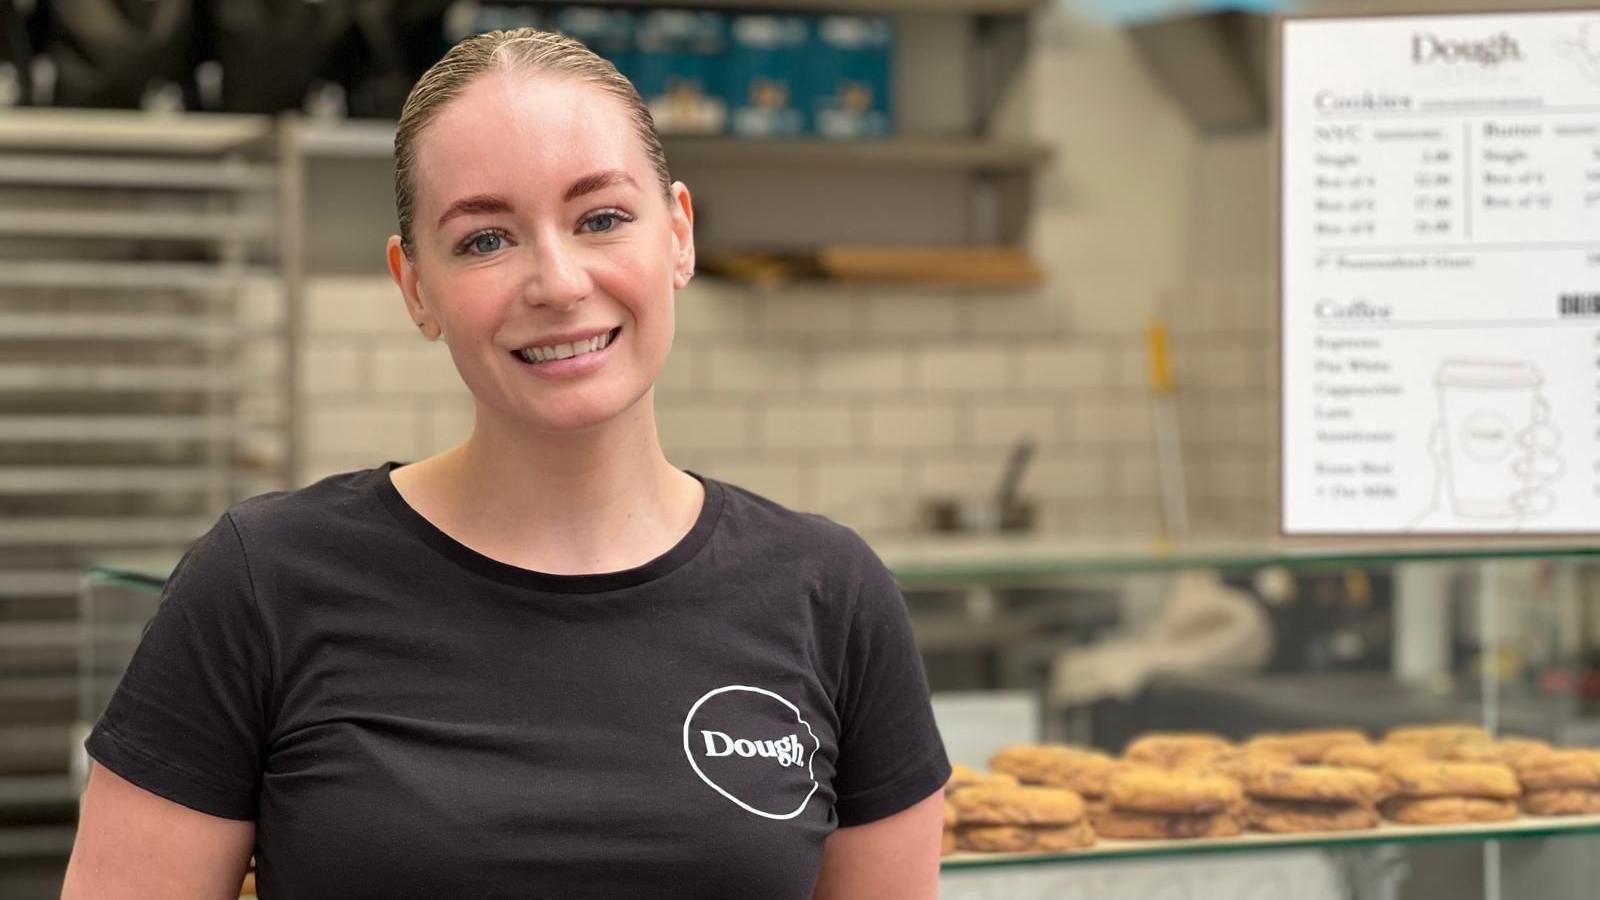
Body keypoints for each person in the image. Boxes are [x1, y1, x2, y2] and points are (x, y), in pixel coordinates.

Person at [62, 27, 948, 899]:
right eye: (486, 238)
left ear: (677, 234)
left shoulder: (833, 596)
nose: (558, 283)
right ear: (416, 286)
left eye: (601, 218)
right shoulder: (260, 585)